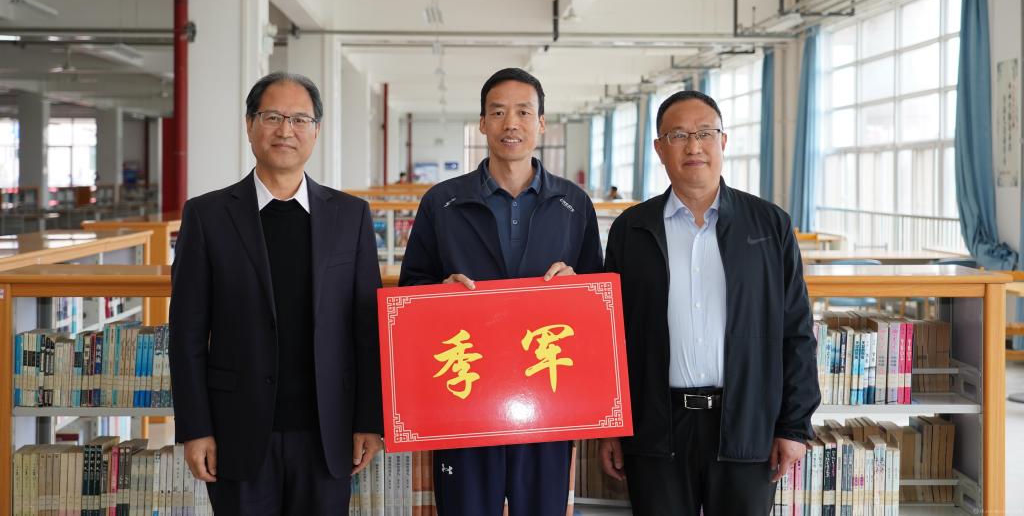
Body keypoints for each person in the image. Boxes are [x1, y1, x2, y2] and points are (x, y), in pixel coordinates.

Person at [169, 72, 384, 515]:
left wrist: (369, 420)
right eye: (272, 117)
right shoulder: (207, 216)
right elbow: (187, 334)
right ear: (250, 125)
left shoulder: (351, 216)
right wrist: (195, 428)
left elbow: (367, 330)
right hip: (237, 430)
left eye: (300, 119)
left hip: (328, 432)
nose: (286, 130)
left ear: (316, 131)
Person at [599, 90, 819, 516]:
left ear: (723, 141)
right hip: (656, 428)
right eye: (678, 135)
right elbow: (611, 338)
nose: (693, 146)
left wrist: (793, 426)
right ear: (659, 148)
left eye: (704, 133)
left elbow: (796, 331)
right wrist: (611, 425)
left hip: (746, 423)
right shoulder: (631, 229)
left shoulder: (769, 225)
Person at [400, 67, 604, 516]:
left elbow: (599, 306)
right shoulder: (442, 203)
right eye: (498, 112)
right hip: (464, 397)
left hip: (546, 400)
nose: (511, 123)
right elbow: (411, 291)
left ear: (541, 123)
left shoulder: (573, 205)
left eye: (523, 112)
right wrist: (437, 293)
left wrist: (578, 289)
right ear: (482, 123)